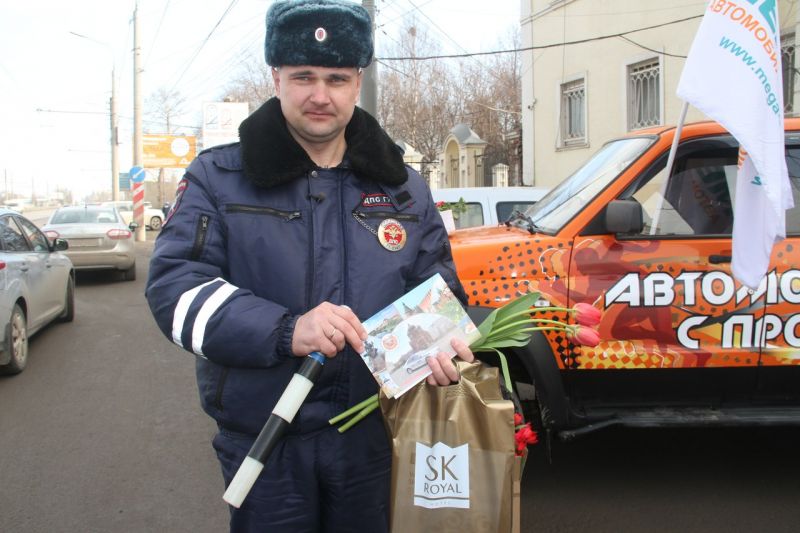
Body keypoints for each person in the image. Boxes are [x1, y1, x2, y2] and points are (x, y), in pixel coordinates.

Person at [145, 0, 474, 531]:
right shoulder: (218, 177)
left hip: (371, 436)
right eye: (303, 76)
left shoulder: (403, 187)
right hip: (265, 440)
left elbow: (436, 288)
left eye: (337, 78)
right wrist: (285, 330)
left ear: (358, 80)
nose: (321, 95)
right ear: (275, 76)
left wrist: (437, 350)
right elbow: (176, 291)